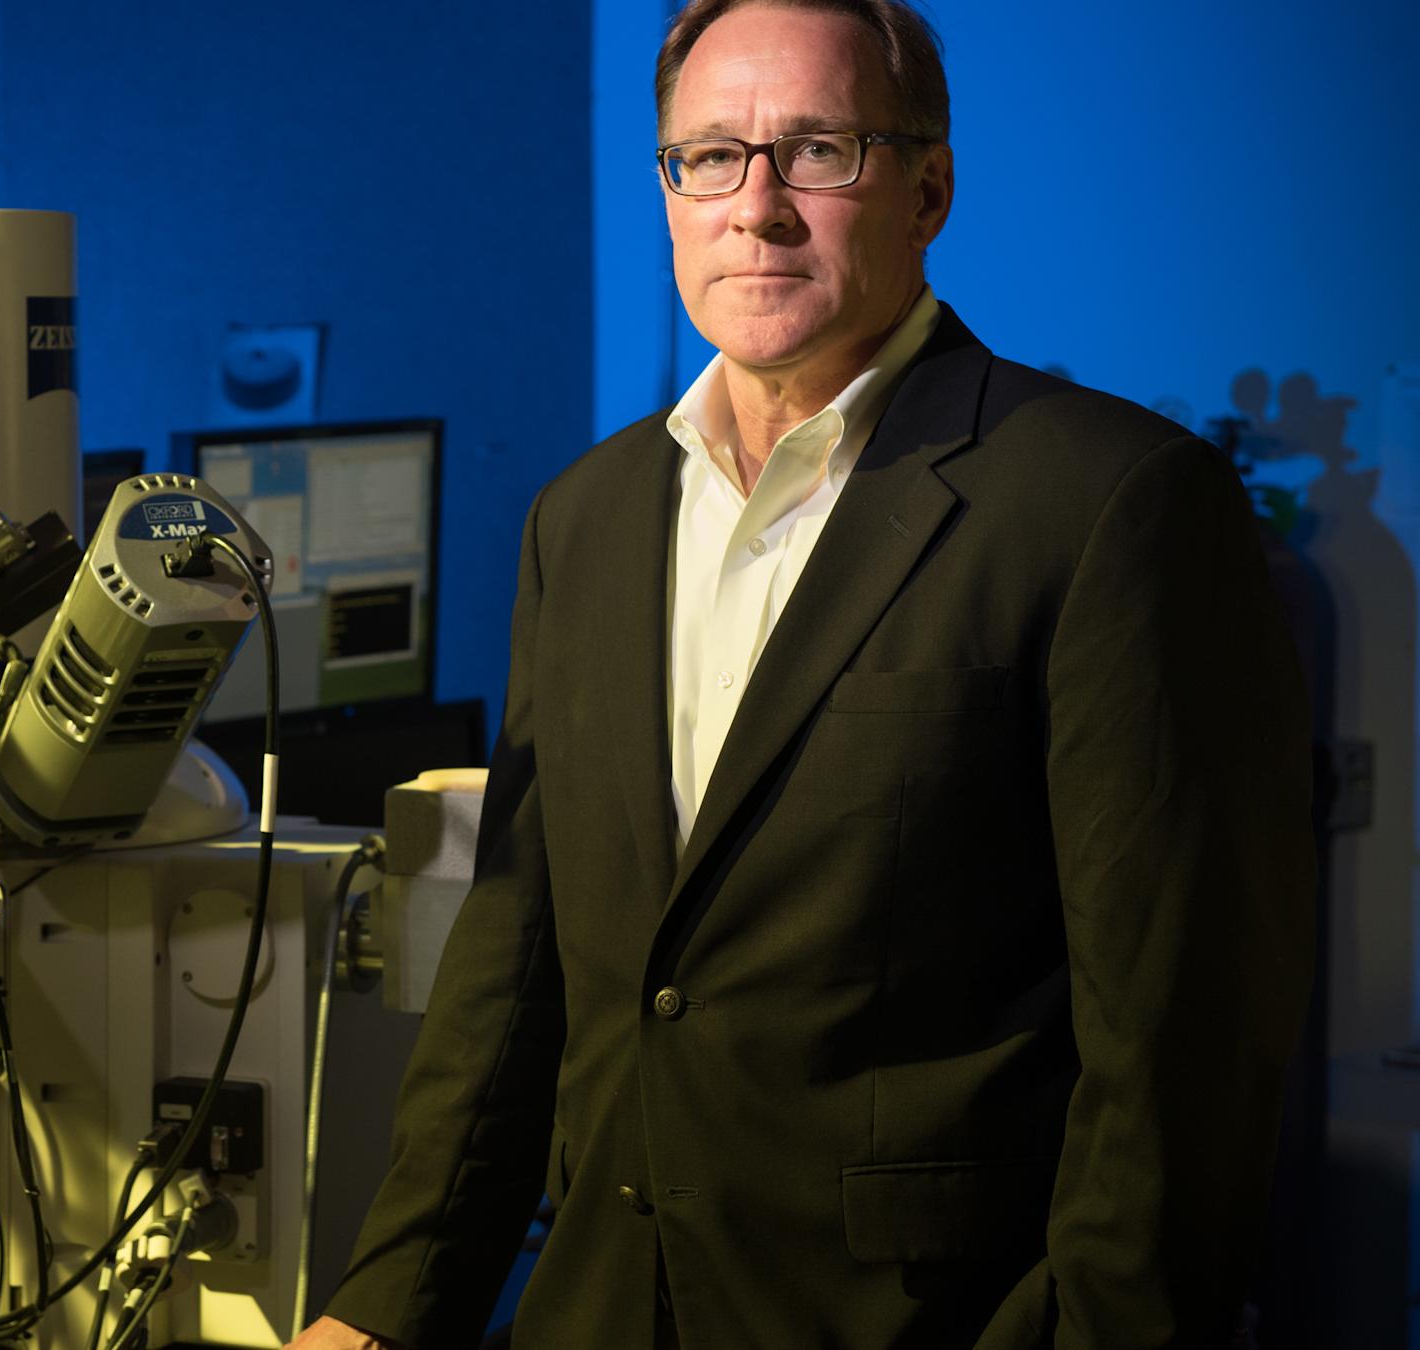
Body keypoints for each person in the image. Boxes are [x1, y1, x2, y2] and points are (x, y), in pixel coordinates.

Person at [288, 1, 1315, 1346]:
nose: (755, 207)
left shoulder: (1108, 504)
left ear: (928, 188)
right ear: (667, 189)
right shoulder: (583, 521)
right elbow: (516, 961)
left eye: (818, 150)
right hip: (603, 1310)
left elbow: (1180, 1050)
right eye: (708, 155)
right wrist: (384, 1309)